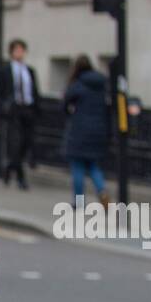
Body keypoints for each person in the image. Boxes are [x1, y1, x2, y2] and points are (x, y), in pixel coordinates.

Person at [61, 55, 111, 207]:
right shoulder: (102, 84)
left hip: (79, 131)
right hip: (98, 130)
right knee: (94, 166)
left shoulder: (78, 84)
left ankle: (79, 201)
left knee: (78, 167)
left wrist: (70, 113)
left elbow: (64, 104)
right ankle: (102, 191)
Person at [0, 38, 39, 189]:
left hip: (27, 109)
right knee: (15, 143)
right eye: (16, 50)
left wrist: (36, 109)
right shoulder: (6, 70)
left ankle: (9, 168)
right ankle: (21, 179)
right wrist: (4, 107)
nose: (19, 53)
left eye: (21, 50)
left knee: (26, 143)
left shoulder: (29, 71)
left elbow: (35, 91)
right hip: (13, 110)